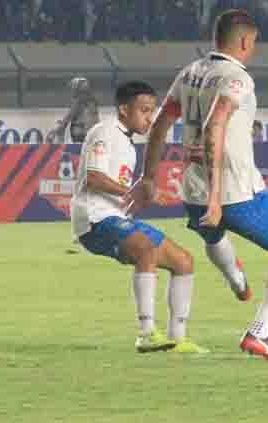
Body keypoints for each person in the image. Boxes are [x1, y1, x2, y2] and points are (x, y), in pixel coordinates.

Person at [133, 9, 268, 361]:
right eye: (254, 43)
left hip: (194, 190)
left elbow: (160, 125)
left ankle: (235, 278)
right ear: (244, 40)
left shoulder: (192, 72)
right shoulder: (236, 77)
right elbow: (216, 126)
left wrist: (148, 177)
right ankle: (261, 333)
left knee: (214, 234)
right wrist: (217, 196)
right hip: (233, 192)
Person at [70, 81, 207, 354]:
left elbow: (121, 190)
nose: (150, 117)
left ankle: (177, 339)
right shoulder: (105, 132)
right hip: (94, 219)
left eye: (153, 111)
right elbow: (93, 178)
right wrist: (134, 190)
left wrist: (143, 196)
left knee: (184, 261)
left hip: (113, 216)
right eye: (144, 110)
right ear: (123, 109)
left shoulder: (127, 143)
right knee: (145, 248)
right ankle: (145, 333)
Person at [47, 76, 100, 144]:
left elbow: (68, 117)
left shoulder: (79, 101)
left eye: (72, 87)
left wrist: (57, 130)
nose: (71, 90)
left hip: (81, 133)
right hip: (94, 134)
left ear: (76, 88)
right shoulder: (93, 101)